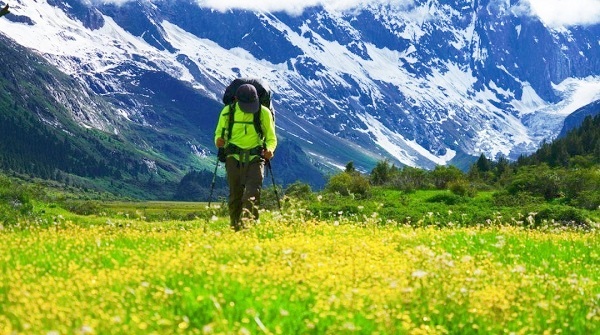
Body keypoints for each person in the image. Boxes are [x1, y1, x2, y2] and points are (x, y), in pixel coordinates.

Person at [214, 83, 277, 231]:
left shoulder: (264, 113)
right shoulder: (227, 112)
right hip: (233, 157)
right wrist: (218, 141)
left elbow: (271, 137)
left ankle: (247, 228)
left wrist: (270, 149)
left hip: (256, 158)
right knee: (235, 196)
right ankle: (235, 229)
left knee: (252, 194)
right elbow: (218, 133)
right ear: (235, 99)